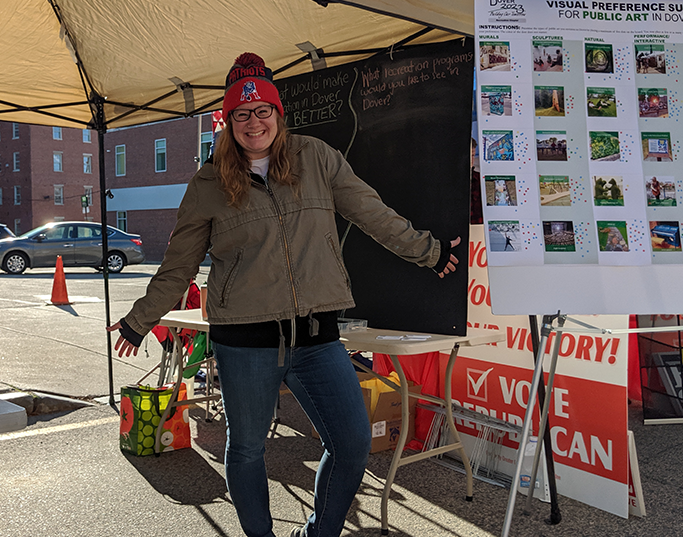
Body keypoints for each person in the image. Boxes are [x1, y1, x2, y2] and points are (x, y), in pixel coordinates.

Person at [108, 52, 460, 537]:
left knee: (353, 443)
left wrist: (429, 251)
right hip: (244, 344)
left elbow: (372, 214)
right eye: (241, 114)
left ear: (278, 114)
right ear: (228, 121)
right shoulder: (208, 183)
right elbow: (178, 266)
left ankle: (320, 533)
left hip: (317, 341)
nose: (254, 122)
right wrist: (138, 319)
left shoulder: (316, 157)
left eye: (263, 111)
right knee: (247, 448)